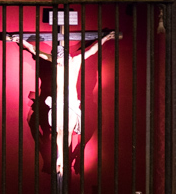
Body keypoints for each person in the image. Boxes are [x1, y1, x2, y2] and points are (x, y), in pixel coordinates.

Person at [9, 30, 115, 175]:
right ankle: (60, 159)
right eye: (56, 60)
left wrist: (105, 38)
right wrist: (20, 42)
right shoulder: (54, 60)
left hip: (70, 103)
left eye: (59, 60)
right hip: (57, 104)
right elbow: (34, 50)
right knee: (58, 132)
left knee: (68, 132)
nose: (57, 63)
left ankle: (66, 158)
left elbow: (91, 50)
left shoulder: (76, 60)